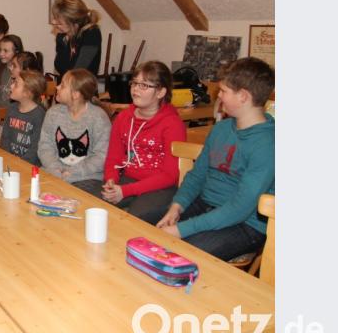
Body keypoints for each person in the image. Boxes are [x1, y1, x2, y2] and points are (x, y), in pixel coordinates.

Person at [156, 57, 274, 261]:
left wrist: (181, 229)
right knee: (144, 230)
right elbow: (197, 175)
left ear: (243, 96)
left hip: (246, 224)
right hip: (205, 205)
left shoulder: (267, 144)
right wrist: (177, 206)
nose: (218, 96)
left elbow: (240, 209)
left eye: (224, 91)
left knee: (178, 255)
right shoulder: (220, 129)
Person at [97, 61, 186, 224]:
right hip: (128, 180)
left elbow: (170, 175)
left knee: (132, 221)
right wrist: (111, 180)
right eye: (135, 83)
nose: (135, 89)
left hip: (160, 186)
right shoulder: (123, 117)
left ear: (160, 92)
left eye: (144, 85)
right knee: (91, 205)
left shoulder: (172, 124)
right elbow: (114, 159)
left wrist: (126, 191)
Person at [38, 69, 111, 184]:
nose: (57, 87)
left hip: (86, 177)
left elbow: (101, 156)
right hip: (54, 172)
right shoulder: (53, 113)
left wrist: (73, 171)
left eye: (62, 85)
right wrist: (56, 169)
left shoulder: (98, 118)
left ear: (75, 94)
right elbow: (45, 147)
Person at [0, 70, 47, 166]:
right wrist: (8, 157)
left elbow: (36, 148)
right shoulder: (12, 109)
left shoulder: (39, 115)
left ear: (27, 93)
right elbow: (5, 138)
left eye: (16, 84)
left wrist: (21, 163)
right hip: (9, 162)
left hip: (29, 166)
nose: (11, 86)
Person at [51, 0, 102, 78]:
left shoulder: (92, 34)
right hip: (67, 87)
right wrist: (63, 41)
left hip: (83, 89)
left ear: (74, 24)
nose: (53, 22)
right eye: (54, 18)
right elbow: (59, 66)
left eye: (59, 22)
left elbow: (77, 73)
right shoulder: (63, 35)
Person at [0, 34, 23, 110]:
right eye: (0, 50)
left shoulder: (23, 72)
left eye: (5, 51)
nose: (1, 54)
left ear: (16, 52)